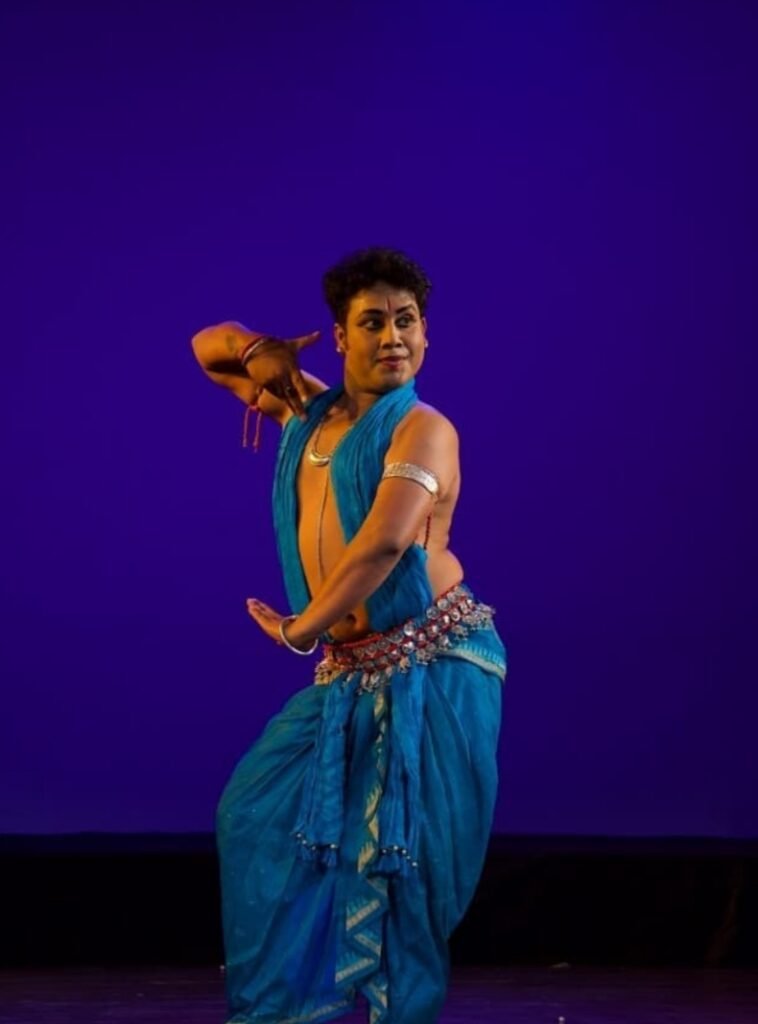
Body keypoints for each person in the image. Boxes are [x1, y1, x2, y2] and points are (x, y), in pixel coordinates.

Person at [191, 248, 507, 1024]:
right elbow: (209, 348)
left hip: (435, 664)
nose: (393, 336)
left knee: (405, 868)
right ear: (339, 336)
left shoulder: (426, 431)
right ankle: (286, 1013)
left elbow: (384, 544)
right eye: (373, 322)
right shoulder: (309, 414)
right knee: (253, 815)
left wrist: (302, 630)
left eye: (407, 322)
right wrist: (261, 349)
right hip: (351, 669)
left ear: (426, 336)